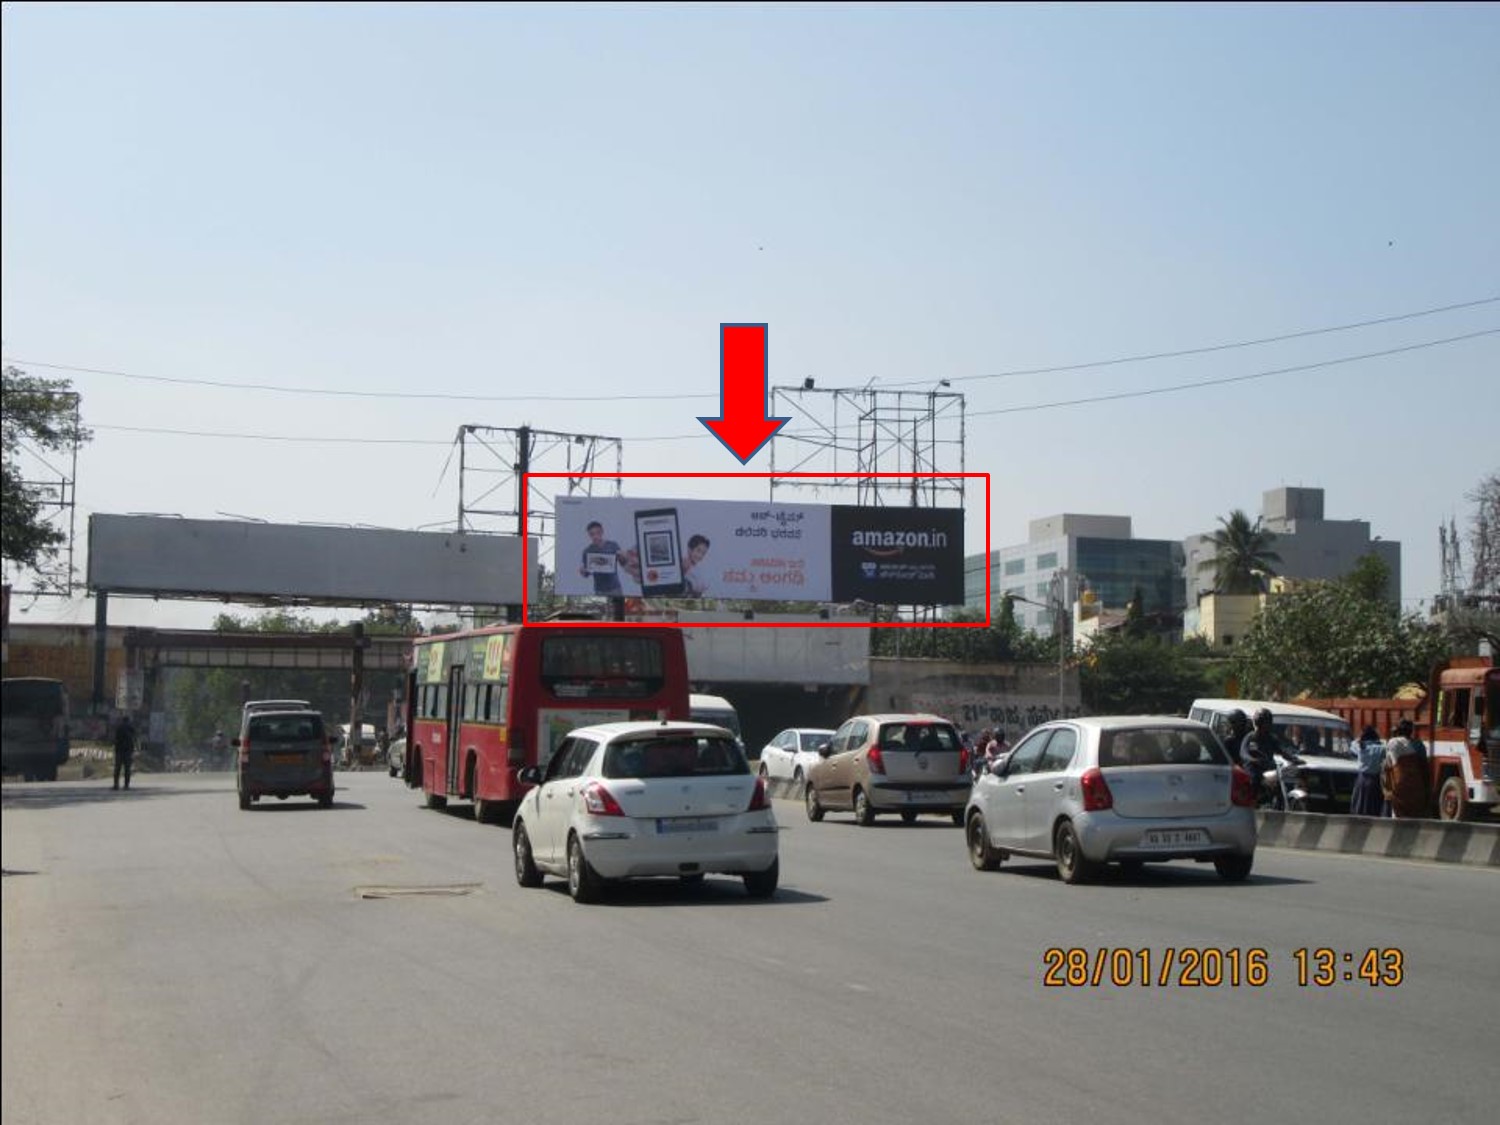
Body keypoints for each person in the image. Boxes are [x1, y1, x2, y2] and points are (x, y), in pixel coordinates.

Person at [1381, 718, 1429, 818]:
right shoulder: (1419, 745)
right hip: (1417, 786)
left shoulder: (1393, 743)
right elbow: (1424, 768)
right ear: (1411, 731)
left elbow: (1387, 767)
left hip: (1399, 787)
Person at [1349, 725, 1387, 817]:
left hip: (1362, 778)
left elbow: (1352, 744)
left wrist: (1360, 739)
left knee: (1359, 803)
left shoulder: (1361, 746)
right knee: (1374, 806)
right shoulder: (1381, 748)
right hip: (1376, 779)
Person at [578, 521, 624, 595]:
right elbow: (587, 573)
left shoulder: (613, 545)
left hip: (615, 588)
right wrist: (583, 572)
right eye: (592, 534)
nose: (595, 536)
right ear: (589, 535)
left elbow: (623, 563)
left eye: (597, 533)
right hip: (599, 590)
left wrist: (622, 556)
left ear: (602, 531)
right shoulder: (587, 551)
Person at [113, 714, 137, 791]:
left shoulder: (119, 728)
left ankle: (116, 785)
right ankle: (126, 785)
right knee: (127, 769)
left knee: (117, 768)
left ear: (123, 720)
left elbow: (116, 739)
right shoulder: (131, 728)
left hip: (119, 751)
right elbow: (134, 738)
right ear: (128, 721)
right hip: (128, 751)